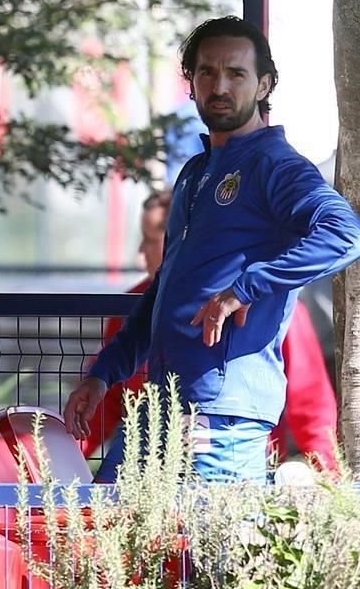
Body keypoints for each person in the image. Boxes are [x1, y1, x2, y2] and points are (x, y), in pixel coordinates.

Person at [64, 16, 360, 483]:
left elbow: (344, 234)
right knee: (103, 537)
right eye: (207, 72)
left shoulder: (276, 166)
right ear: (192, 83)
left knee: (207, 554)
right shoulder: (194, 173)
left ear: (264, 85)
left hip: (220, 420)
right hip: (160, 407)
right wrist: (103, 373)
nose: (219, 85)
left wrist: (244, 289)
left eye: (236, 74)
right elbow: (162, 293)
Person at [81, 190, 339, 476]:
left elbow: (311, 404)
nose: (142, 253)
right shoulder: (134, 305)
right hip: (148, 457)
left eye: (152, 240)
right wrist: (55, 459)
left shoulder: (270, 303)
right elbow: (109, 402)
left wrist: (329, 478)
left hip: (236, 460)